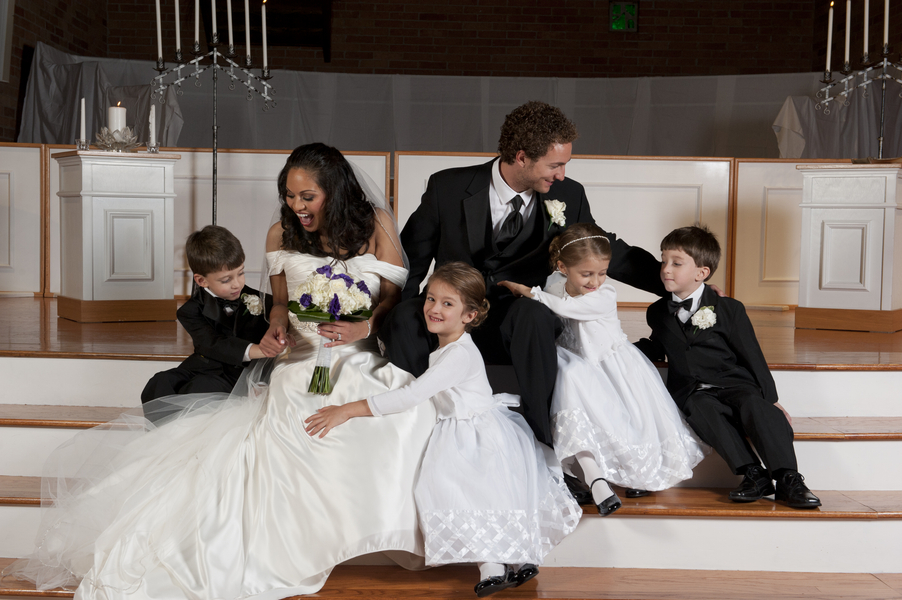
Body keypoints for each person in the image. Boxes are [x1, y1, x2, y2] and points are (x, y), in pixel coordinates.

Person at [8, 143, 437, 599]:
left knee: (406, 417)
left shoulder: (377, 224)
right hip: (303, 359)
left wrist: (362, 326)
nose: (296, 206)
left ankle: (373, 533)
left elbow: (391, 293)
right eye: (289, 196)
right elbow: (277, 304)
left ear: (333, 189)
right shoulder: (279, 234)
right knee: (304, 430)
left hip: (361, 352)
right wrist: (276, 332)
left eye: (307, 196)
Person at [380, 100, 665, 450]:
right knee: (404, 318)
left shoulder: (568, 195)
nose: (561, 174)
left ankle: (543, 441)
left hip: (513, 320)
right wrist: (385, 316)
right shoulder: (447, 188)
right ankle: (420, 429)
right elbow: (412, 259)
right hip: (452, 316)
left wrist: (672, 282)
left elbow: (604, 249)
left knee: (535, 315)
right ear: (521, 157)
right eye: (555, 165)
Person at [305, 262, 581, 597]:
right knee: (484, 498)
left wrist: (348, 410)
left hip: (472, 434)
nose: (434, 309)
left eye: (447, 304)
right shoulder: (449, 347)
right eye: (431, 299)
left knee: (471, 496)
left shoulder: (457, 355)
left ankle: (494, 564)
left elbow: (413, 395)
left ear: (470, 315)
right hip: (470, 427)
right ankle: (514, 559)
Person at [499, 223, 707, 517]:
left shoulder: (603, 295)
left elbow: (565, 309)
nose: (595, 280)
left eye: (602, 273)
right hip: (577, 361)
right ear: (562, 267)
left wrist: (528, 292)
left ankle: (620, 474)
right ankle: (595, 478)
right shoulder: (553, 284)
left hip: (611, 365)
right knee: (570, 379)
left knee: (615, 411)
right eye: (586, 274)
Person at [637, 225, 821, 508]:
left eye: (676, 263)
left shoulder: (729, 308)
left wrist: (771, 399)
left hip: (734, 382)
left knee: (756, 407)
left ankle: (788, 478)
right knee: (701, 409)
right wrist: (621, 349)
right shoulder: (657, 312)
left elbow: (752, 355)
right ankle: (752, 473)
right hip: (693, 389)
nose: (665, 269)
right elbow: (658, 344)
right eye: (663, 261)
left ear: (702, 273)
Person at [140, 225, 274, 404]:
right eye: (226, 280)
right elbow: (212, 344)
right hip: (204, 366)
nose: (237, 284)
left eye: (241, 273)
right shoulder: (189, 311)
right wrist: (255, 350)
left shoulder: (266, 302)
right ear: (201, 281)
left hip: (239, 374)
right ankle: (166, 430)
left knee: (199, 389)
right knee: (159, 384)